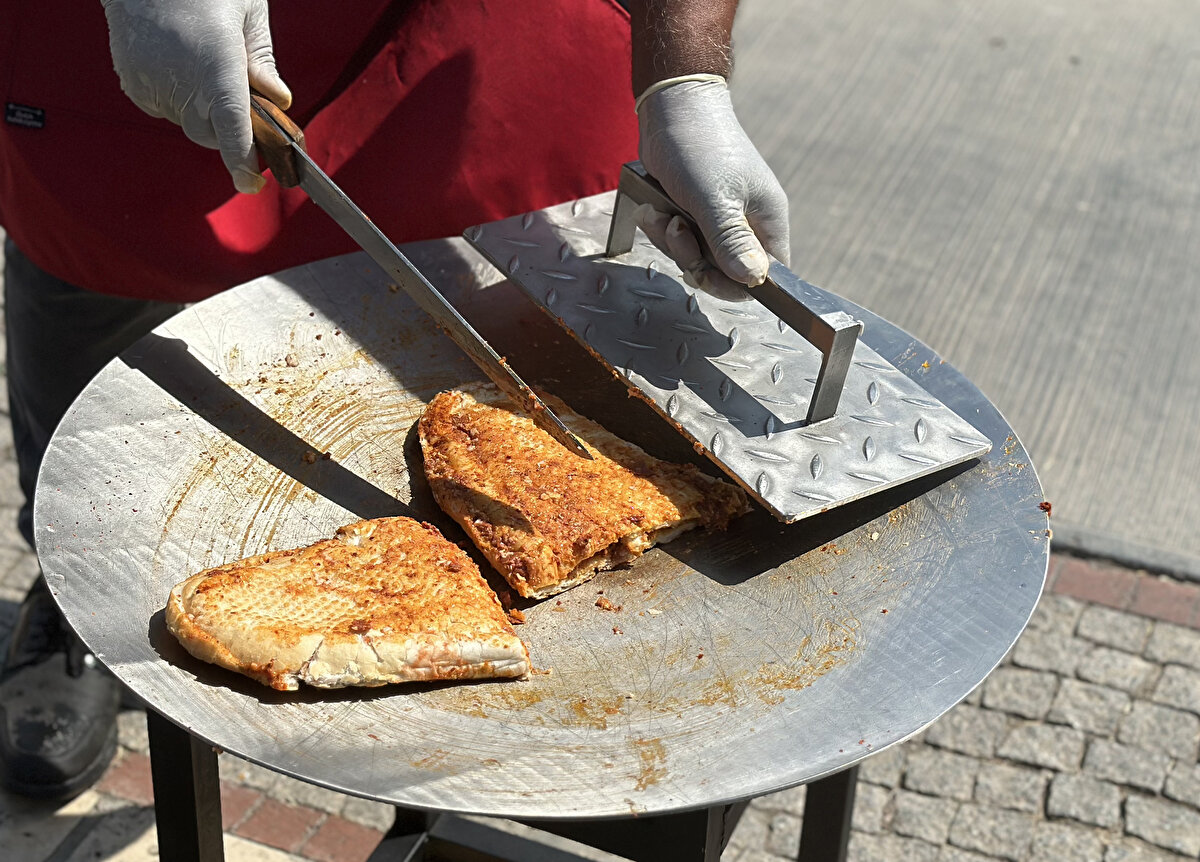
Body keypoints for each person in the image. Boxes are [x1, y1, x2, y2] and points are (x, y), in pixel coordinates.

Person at [0, 0, 789, 799]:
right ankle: (71, 604)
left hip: (483, 44)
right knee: (97, 280)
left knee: (507, 318)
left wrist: (685, 81)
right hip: (138, 58)